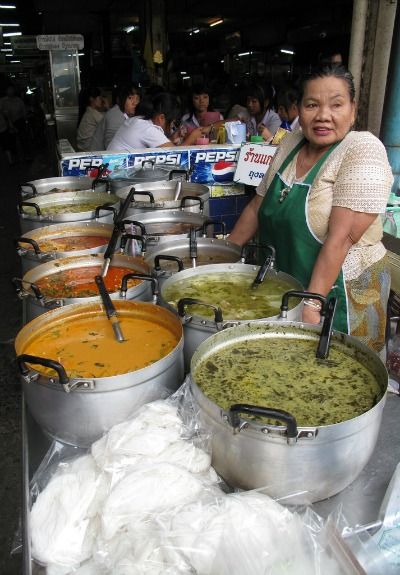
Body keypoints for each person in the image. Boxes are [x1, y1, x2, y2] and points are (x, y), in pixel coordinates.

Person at [229, 64, 393, 355]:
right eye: (312, 105)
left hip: (341, 295)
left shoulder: (362, 149)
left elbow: (341, 238)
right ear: (299, 109)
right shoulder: (292, 141)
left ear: (353, 110)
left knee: (340, 377)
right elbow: (257, 206)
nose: (323, 116)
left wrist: (312, 303)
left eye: (336, 105)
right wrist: (223, 259)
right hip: (289, 284)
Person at [107, 91, 209, 151]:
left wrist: (171, 139)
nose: (172, 127)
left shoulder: (138, 120)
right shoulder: (149, 129)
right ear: (161, 118)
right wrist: (192, 138)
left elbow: (163, 145)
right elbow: (174, 156)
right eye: (172, 123)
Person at [90, 84, 141, 150]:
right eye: (130, 98)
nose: (135, 103)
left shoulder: (130, 115)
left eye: (137, 99)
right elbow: (112, 149)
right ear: (119, 100)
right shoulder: (115, 115)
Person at [76, 87, 108, 151]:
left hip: (82, 147)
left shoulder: (88, 111)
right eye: (99, 98)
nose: (101, 100)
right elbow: (108, 124)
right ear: (91, 99)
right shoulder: (93, 113)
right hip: (89, 149)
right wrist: (107, 107)